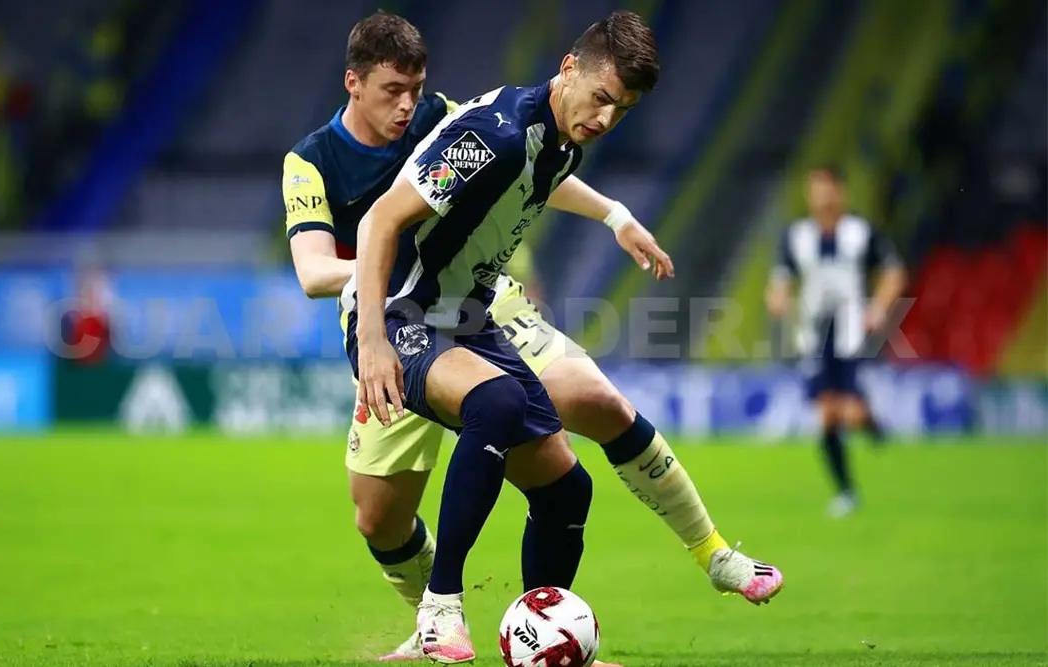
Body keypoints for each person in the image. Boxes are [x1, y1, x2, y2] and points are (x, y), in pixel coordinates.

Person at [285, 11, 784, 663]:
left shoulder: (555, 138)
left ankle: (544, 635)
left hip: (471, 313)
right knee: (422, 473)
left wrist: (615, 216)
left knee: (569, 486)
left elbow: (540, 176)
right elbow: (379, 221)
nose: (606, 118)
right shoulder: (486, 134)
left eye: (622, 109)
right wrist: (374, 341)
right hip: (403, 312)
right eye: (601, 98)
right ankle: (438, 608)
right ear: (569, 70)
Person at [766, 164, 907, 518]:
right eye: (815, 188)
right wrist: (778, 297)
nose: (822, 195)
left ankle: (869, 423)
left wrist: (879, 307)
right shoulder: (797, 235)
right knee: (827, 413)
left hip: (851, 331)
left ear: (840, 192)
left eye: (827, 187)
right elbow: (781, 278)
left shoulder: (861, 232)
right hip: (814, 333)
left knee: (848, 412)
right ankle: (846, 492)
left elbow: (893, 273)